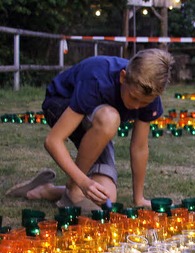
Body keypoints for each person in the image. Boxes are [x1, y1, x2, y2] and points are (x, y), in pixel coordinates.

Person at [5, 49, 174, 211]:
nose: (137, 106)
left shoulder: (150, 97)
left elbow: (139, 148)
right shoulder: (97, 79)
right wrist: (82, 181)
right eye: (133, 97)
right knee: (110, 117)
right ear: (123, 77)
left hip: (97, 121)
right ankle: (73, 187)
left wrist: (139, 199)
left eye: (143, 103)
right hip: (60, 104)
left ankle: (47, 190)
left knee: (106, 198)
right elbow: (53, 141)